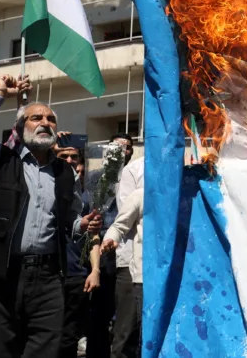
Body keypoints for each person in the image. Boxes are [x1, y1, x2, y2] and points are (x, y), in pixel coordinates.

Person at [0, 74, 103, 358]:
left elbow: (70, 221)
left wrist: (82, 225)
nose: (45, 123)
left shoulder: (65, 173)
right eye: (36, 118)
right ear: (20, 127)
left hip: (48, 278)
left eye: (50, 119)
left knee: (45, 349)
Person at [84, 133, 132, 358]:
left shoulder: (136, 178)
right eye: (117, 147)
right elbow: (88, 213)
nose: (122, 151)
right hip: (99, 253)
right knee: (98, 315)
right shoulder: (95, 178)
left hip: (128, 256)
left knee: (125, 316)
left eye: (127, 147)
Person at [56, 144, 101, 358]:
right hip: (50, 273)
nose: (70, 160)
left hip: (76, 273)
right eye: (63, 155)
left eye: (74, 157)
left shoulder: (86, 199)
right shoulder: (45, 189)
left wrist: (95, 270)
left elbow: (93, 236)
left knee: (69, 337)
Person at [101, 187, 143, 353]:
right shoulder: (140, 194)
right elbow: (119, 226)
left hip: (177, 278)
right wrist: (110, 239)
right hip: (143, 279)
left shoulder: (186, 192)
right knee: (138, 335)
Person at [111, 151, 144, 358]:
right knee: (127, 329)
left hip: (166, 269)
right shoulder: (135, 170)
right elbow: (125, 217)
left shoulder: (181, 169)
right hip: (132, 264)